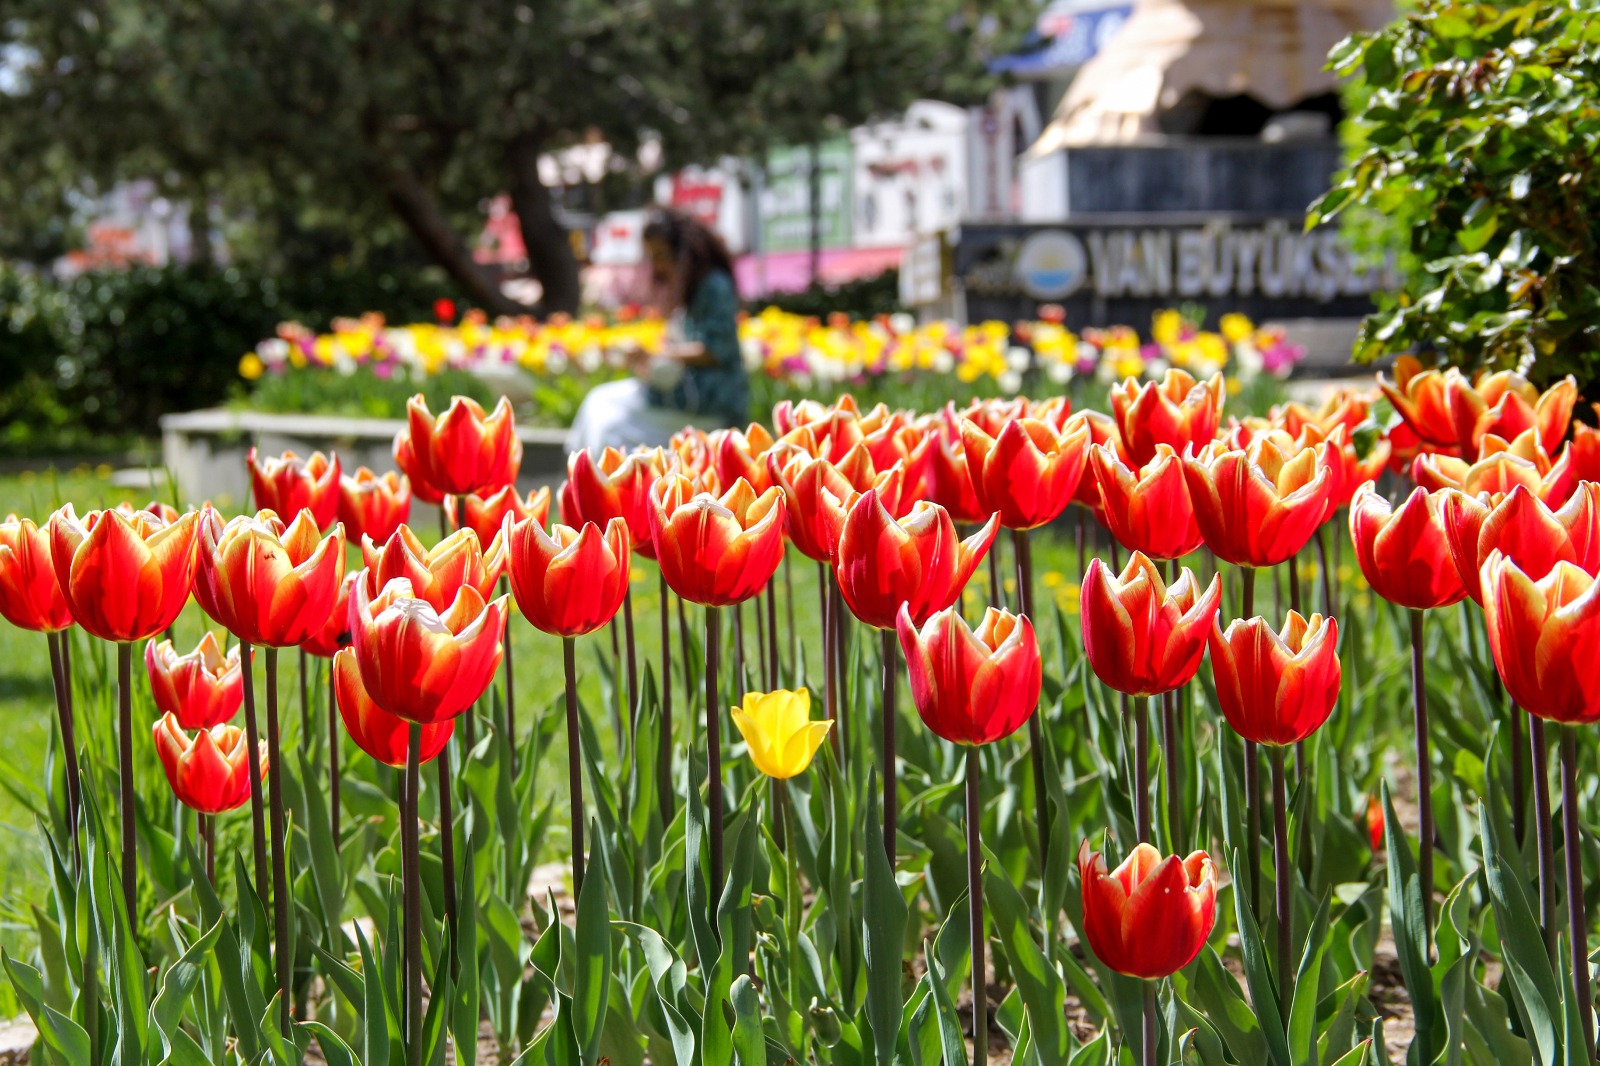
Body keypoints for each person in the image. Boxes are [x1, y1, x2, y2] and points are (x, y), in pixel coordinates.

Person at [565, 209, 749, 453]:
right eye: (652, 256)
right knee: (597, 401)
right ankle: (579, 480)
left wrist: (655, 355)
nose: (657, 264)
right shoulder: (689, 290)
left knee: (609, 425)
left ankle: (603, 486)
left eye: (661, 255)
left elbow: (715, 349)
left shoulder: (714, 286)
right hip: (680, 395)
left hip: (712, 405)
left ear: (683, 252)